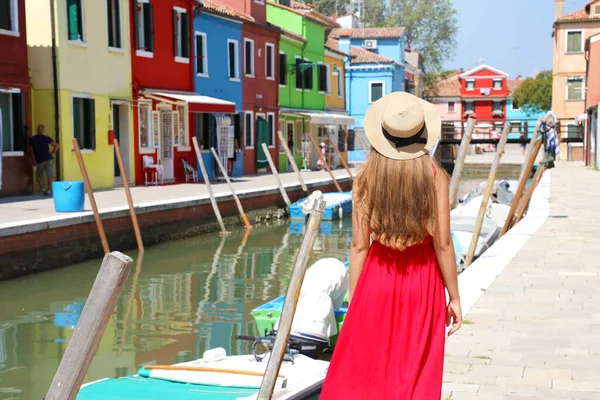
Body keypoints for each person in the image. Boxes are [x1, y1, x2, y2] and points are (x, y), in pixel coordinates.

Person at [319, 92, 462, 400]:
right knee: (414, 371)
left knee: (370, 370)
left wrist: (356, 299)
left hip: (376, 278)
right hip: (422, 282)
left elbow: (359, 246)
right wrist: (454, 297)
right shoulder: (435, 177)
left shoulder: (366, 177)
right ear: (422, 134)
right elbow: (444, 244)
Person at [29, 124, 59, 196]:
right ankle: (48, 190)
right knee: (50, 175)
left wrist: (33, 160)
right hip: (48, 159)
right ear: (43, 130)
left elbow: (31, 151)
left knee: (39, 176)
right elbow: (56, 146)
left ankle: (44, 190)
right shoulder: (46, 137)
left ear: (37, 130)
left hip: (40, 160)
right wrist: (52, 153)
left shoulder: (32, 139)